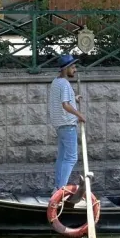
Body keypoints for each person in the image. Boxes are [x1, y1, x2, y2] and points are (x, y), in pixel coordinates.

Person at [48, 55, 85, 192]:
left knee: (62, 158)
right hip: (67, 125)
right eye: (73, 67)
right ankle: (60, 189)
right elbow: (65, 105)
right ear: (66, 69)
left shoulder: (56, 82)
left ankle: (57, 187)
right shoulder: (64, 84)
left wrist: (74, 98)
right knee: (71, 158)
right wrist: (80, 115)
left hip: (59, 125)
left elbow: (63, 100)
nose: (75, 70)